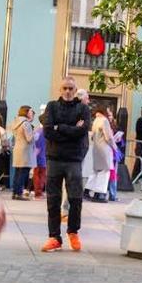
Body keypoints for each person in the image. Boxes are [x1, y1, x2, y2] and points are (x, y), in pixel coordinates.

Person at [41, 77, 91, 252]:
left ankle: (73, 231)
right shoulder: (52, 106)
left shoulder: (83, 108)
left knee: (76, 198)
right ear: (60, 90)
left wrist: (59, 127)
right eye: (65, 88)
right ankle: (54, 236)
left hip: (74, 160)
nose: (68, 91)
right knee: (53, 200)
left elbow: (83, 130)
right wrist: (72, 130)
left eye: (71, 88)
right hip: (54, 158)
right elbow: (47, 131)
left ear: (75, 89)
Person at [86, 106, 114, 203]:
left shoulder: (95, 121)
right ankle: (99, 194)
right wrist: (115, 147)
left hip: (96, 148)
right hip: (104, 149)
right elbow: (108, 137)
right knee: (104, 172)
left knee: (95, 171)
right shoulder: (104, 120)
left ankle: (87, 190)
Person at [10, 106, 36, 200]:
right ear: (26, 112)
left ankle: (15, 193)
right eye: (30, 111)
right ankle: (19, 194)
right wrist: (34, 132)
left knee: (17, 173)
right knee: (23, 173)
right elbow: (29, 139)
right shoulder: (26, 124)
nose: (31, 113)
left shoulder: (16, 122)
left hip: (17, 149)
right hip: (25, 151)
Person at [32, 107, 47, 199]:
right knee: (40, 176)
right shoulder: (47, 132)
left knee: (37, 175)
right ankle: (38, 192)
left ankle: (38, 191)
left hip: (38, 156)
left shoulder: (38, 131)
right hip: (42, 157)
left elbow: (35, 144)